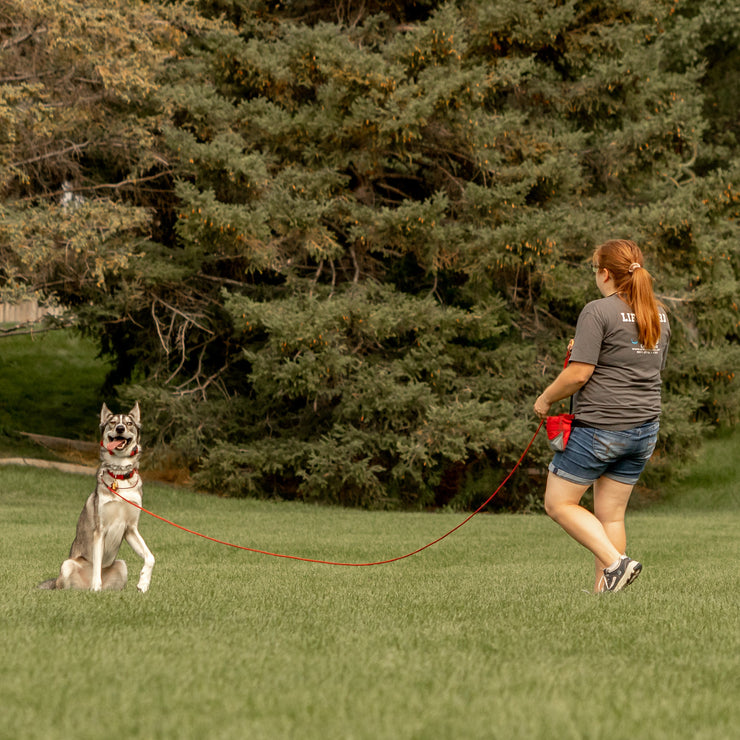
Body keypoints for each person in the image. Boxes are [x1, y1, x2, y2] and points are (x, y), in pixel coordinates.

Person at [533, 239, 670, 592]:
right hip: (644, 430)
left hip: (601, 429)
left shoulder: (597, 310)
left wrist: (545, 399)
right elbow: (643, 366)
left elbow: (579, 374)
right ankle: (605, 592)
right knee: (611, 515)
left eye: (596, 269)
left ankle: (616, 563)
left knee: (557, 503)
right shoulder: (659, 313)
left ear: (605, 273)